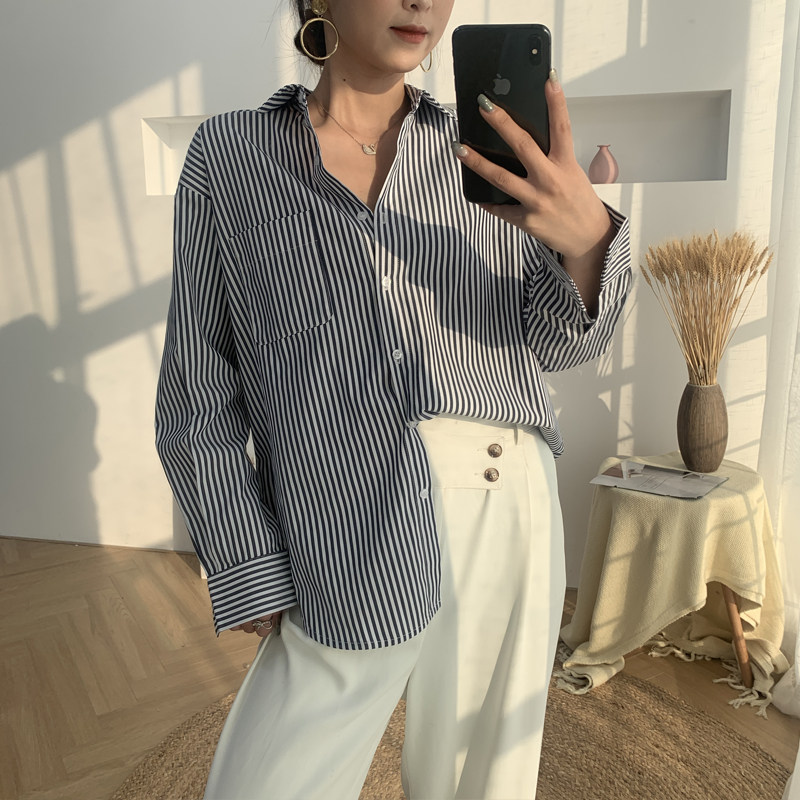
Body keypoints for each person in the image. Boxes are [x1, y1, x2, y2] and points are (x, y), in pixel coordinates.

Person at [154, 0, 631, 797]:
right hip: (337, 517)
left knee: (477, 783)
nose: (422, 2)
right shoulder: (231, 156)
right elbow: (197, 387)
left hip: (504, 494)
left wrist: (586, 249)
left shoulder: (484, 150)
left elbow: (562, 347)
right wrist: (241, 551)